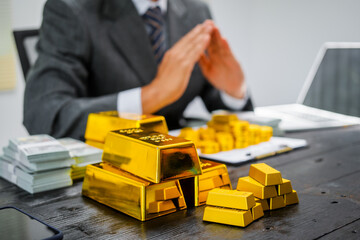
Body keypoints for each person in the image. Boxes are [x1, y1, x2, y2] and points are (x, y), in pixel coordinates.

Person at [24, 0, 253, 140]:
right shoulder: (71, 10)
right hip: (107, 176)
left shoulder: (196, 11)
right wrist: (152, 96)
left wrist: (233, 91)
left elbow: (213, 98)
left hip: (183, 171)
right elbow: (44, 116)